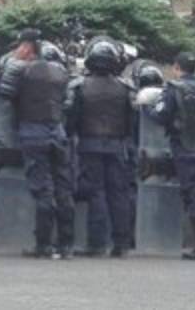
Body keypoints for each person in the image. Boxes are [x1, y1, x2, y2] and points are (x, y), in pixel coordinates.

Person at [0, 30, 74, 259]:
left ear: (27, 48)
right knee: (63, 188)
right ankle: (66, 244)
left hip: (33, 133)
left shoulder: (19, 69)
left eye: (19, 46)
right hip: (58, 132)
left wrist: (6, 68)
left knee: (42, 190)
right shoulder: (59, 71)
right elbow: (67, 101)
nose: (16, 50)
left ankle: (44, 244)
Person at [67, 37, 136, 258]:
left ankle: (97, 243)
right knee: (119, 194)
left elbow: (72, 118)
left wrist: (72, 135)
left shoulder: (80, 86)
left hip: (89, 144)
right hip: (117, 145)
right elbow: (131, 121)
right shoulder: (125, 87)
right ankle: (121, 243)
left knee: (96, 193)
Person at [149, 52, 195, 260]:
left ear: (177, 67)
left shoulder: (174, 88)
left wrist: (147, 109)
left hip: (185, 147)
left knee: (193, 193)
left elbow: (161, 115)